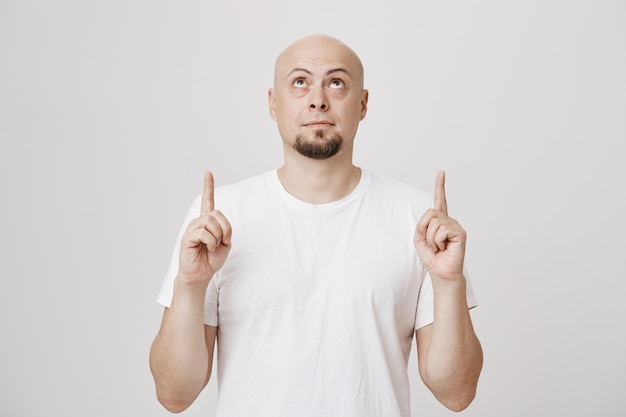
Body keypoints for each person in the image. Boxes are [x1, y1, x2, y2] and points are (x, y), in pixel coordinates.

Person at [149, 34, 483, 416]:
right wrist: (190, 287)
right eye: (300, 82)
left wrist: (448, 284)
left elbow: (456, 393)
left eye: (336, 82)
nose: (318, 99)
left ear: (363, 104)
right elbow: (174, 395)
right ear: (273, 104)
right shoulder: (218, 219)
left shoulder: (419, 221)